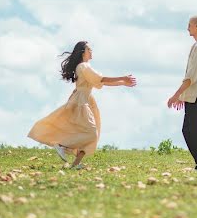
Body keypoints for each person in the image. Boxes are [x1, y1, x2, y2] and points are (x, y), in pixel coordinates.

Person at [28, 41, 136, 169]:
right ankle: (63, 146)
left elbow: (100, 83)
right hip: (82, 101)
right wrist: (123, 78)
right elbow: (101, 79)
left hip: (85, 100)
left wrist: (122, 83)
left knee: (89, 134)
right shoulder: (84, 66)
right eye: (89, 49)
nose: (91, 52)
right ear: (83, 52)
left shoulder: (83, 67)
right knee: (91, 133)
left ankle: (75, 164)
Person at [166, 15, 197, 171]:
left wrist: (176, 96)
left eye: (190, 25)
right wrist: (182, 96)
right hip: (194, 95)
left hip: (196, 96)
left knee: (192, 130)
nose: (187, 28)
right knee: (191, 129)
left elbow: (191, 77)